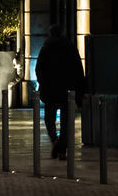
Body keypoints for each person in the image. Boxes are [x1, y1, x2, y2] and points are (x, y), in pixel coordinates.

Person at [35, 24, 85, 160]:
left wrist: (43, 83)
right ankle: (62, 149)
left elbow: (39, 69)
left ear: (50, 34)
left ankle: (55, 140)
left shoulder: (46, 48)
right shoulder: (70, 48)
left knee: (49, 119)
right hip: (66, 90)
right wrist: (79, 89)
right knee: (66, 121)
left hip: (50, 89)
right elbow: (78, 70)